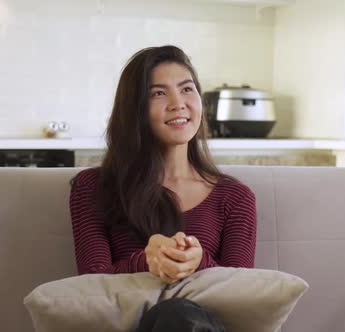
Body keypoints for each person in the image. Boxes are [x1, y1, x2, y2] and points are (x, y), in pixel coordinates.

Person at [69, 45, 257, 331]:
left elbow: (241, 295)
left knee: (178, 314)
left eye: (186, 89)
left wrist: (198, 261)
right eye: (158, 93)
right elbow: (92, 284)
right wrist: (147, 259)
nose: (178, 103)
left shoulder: (235, 198)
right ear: (135, 109)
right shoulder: (92, 188)